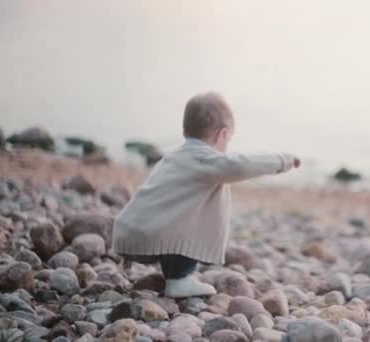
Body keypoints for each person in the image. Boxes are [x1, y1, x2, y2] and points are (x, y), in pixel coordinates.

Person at [112, 92, 300, 298]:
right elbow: (241, 164)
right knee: (205, 202)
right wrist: (283, 160)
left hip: (129, 234)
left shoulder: (172, 157)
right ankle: (179, 280)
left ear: (186, 130)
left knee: (184, 204)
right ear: (222, 134)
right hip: (153, 238)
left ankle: (171, 273)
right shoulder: (205, 160)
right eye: (228, 139)